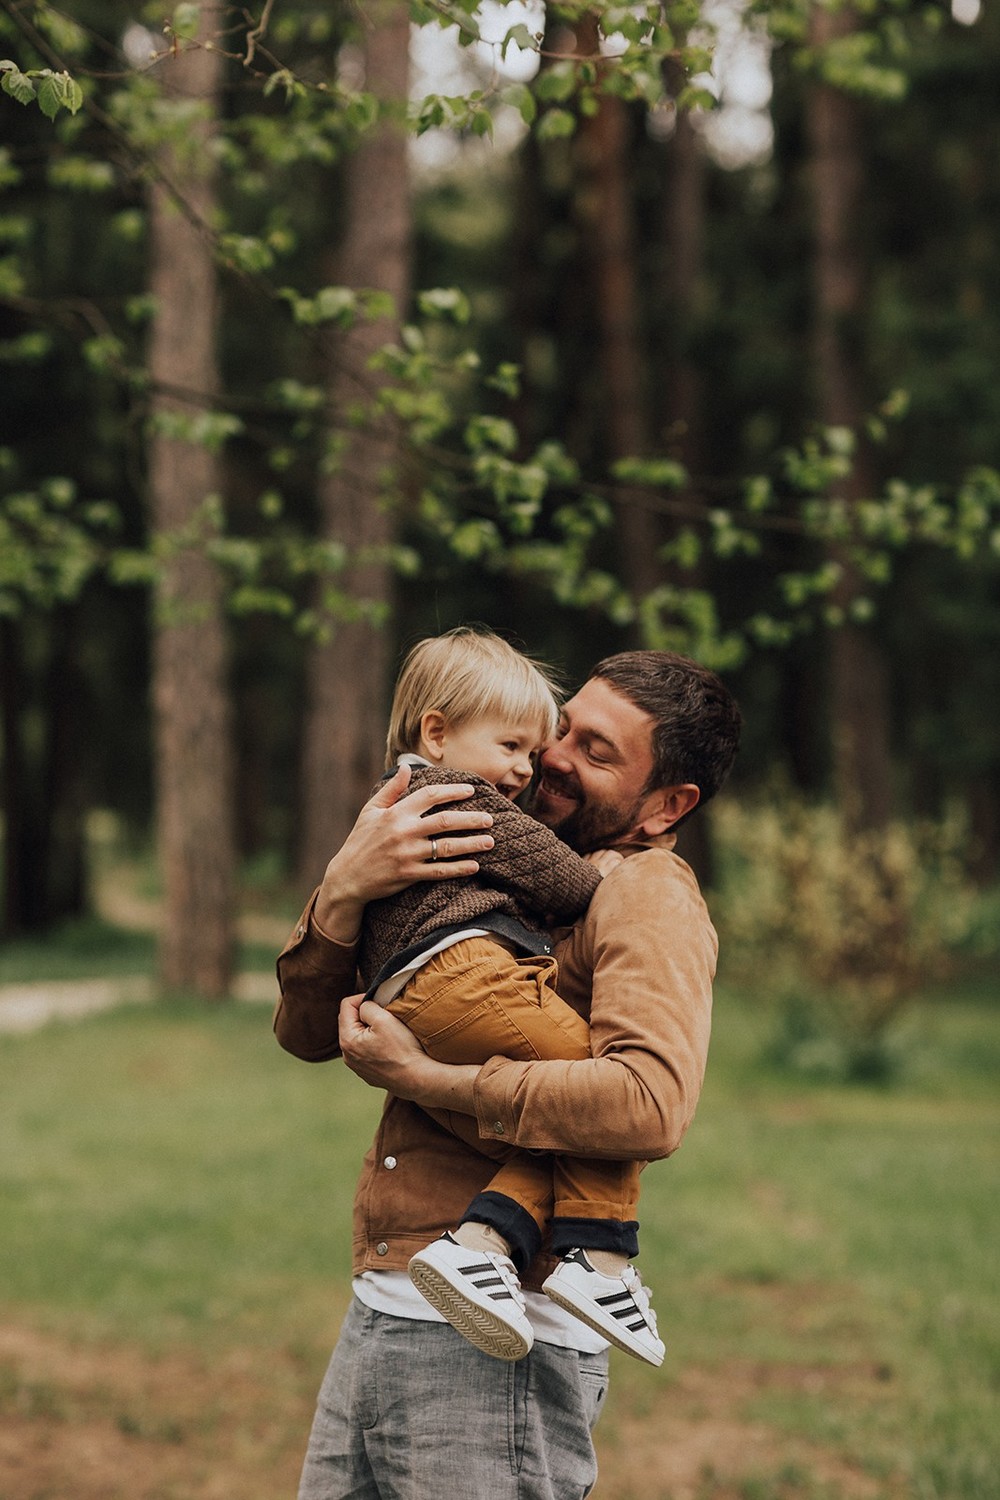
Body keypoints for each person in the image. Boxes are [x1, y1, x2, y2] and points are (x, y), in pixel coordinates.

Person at [275, 646, 741, 1500]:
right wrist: (344, 890)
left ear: (668, 804)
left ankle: (599, 1262)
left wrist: (426, 1078)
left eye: (598, 754)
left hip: (504, 1345)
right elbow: (307, 1033)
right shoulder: (464, 857)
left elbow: (649, 1107)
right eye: (563, 732)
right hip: (391, 1302)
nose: (553, 759)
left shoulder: (643, 890)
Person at [357, 627, 663, 1367]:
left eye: (533, 750)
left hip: (425, 986)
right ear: (439, 732)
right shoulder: (465, 799)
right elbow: (572, 884)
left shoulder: (394, 803)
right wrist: (613, 871)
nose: (528, 769)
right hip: (462, 976)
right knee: (594, 1094)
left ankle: (485, 1242)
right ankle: (601, 1259)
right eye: (512, 747)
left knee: (559, 1111)